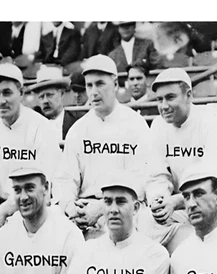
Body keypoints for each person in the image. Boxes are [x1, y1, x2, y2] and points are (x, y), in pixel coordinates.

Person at [145, 68, 217, 251]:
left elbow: (213, 179)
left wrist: (177, 201)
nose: (163, 106)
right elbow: (156, 176)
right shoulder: (158, 125)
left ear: (188, 95)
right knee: (145, 221)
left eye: (170, 97)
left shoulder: (211, 118)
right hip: (184, 205)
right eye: (159, 99)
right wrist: (159, 201)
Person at [62, 55, 151, 239]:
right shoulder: (78, 129)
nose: (94, 92)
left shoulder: (136, 124)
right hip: (83, 210)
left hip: (124, 209)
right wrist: (70, 207)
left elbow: (141, 181)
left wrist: (103, 208)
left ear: (116, 84)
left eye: (100, 83)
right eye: (89, 85)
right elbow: (65, 179)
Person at [0, 63, 66, 236]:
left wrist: (5, 210)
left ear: (21, 93)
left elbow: (46, 185)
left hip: (35, 211)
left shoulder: (42, 128)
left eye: (7, 93)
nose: (1, 101)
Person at [29, 65, 79, 140]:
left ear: (61, 94)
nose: (45, 101)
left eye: (49, 95)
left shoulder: (77, 122)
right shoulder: (33, 125)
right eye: (41, 97)